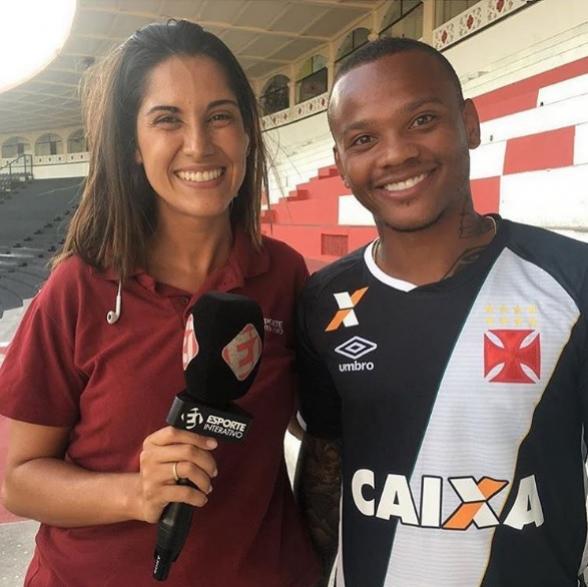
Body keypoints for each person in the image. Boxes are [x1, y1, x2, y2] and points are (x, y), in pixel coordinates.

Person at [0, 20, 319, 587]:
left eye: (220, 116)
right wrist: (135, 492)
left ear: (248, 133)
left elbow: (309, 421)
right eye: (167, 119)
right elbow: (16, 480)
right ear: (132, 145)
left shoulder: (284, 276)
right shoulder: (78, 288)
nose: (199, 144)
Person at [295, 36, 588, 587]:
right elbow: (323, 467)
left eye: (422, 119)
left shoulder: (573, 282)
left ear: (469, 123)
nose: (396, 154)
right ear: (341, 165)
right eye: (363, 138)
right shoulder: (324, 300)